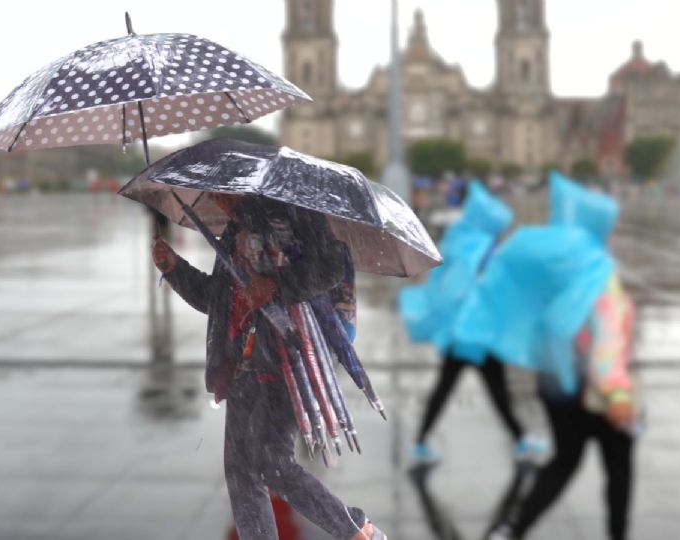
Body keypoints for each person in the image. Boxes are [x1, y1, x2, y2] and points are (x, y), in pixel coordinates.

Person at [152, 192, 386, 540]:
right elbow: (216, 299)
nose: (217, 199)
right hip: (242, 363)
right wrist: (174, 268)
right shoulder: (234, 231)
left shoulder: (293, 214)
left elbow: (331, 266)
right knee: (240, 471)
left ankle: (356, 530)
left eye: (222, 190)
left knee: (274, 464)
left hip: (288, 360)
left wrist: (277, 285)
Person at [453, 172, 639, 540]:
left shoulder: (556, 265)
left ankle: (512, 528)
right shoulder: (597, 273)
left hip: (555, 381)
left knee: (563, 464)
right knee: (618, 468)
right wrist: (616, 393)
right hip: (595, 388)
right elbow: (607, 338)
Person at [399, 181, 546, 465]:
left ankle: (420, 443)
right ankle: (522, 441)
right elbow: (501, 288)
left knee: (448, 389)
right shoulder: (485, 251)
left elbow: (449, 288)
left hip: (458, 334)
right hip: (480, 335)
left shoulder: (460, 243)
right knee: (497, 391)